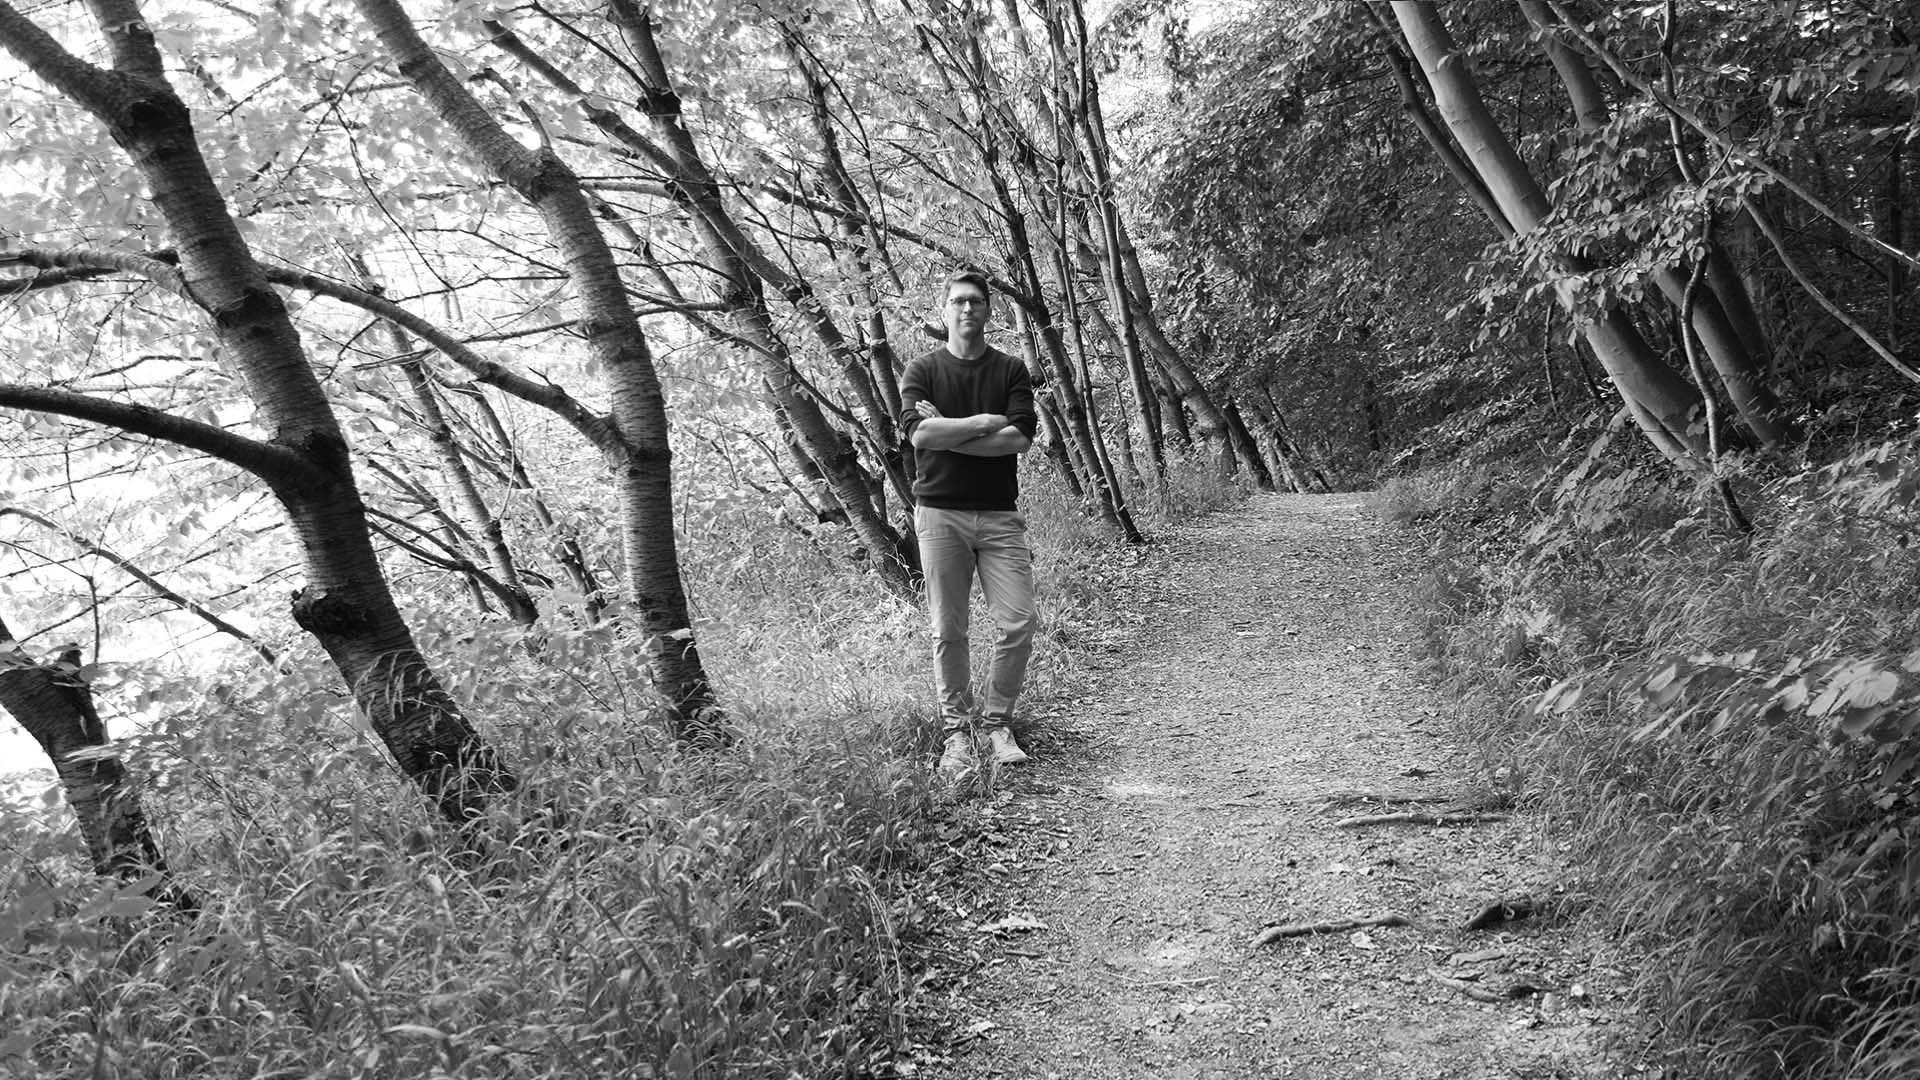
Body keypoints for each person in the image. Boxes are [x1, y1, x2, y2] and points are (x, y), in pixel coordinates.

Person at [899, 269, 1040, 780]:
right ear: (944, 310)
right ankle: (957, 735)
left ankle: (997, 724)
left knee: (1019, 621)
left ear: (987, 310)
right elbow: (918, 435)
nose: (967, 309)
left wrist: (949, 430)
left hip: (1000, 516)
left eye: (975, 301)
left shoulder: (1010, 370)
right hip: (940, 515)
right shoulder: (922, 369)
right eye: (958, 301)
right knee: (948, 629)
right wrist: (984, 423)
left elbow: (1019, 439)